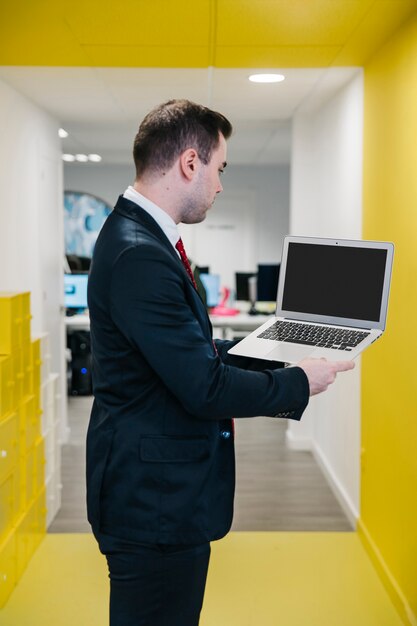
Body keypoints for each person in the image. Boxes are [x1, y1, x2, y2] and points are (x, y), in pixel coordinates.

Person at [86, 99, 354, 626]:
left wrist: (271, 346)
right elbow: (203, 388)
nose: (220, 184)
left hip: (154, 496)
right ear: (190, 163)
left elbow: (188, 357)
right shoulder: (140, 252)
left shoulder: (142, 239)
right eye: (219, 168)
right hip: (154, 506)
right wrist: (298, 381)